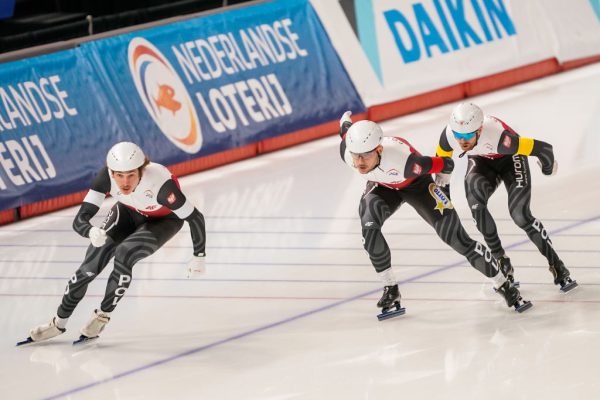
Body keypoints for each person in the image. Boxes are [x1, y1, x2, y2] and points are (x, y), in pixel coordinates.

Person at [338, 111, 531, 318]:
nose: (359, 162)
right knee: (369, 227)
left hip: (417, 186)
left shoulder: (409, 162)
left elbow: (447, 164)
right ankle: (390, 288)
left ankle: (504, 285)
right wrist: (345, 121)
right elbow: (345, 132)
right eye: (356, 156)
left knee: (458, 239)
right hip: (382, 186)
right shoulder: (349, 152)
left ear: (379, 149)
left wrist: (443, 189)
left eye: (366, 155)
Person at [19, 141, 207, 345]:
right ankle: (58, 323)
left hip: (163, 221)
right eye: (119, 175)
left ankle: (102, 316)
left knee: (125, 253)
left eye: (131, 175)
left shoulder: (161, 185)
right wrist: (90, 231)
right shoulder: (105, 177)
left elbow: (195, 217)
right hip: (127, 211)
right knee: (88, 268)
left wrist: (199, 256)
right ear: (111, 172)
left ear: (141, 171)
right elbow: (80, 219)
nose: (125, 182)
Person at [435, 102, 577, 292]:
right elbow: (441, 173)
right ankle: (501, 260)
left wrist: (548, 169)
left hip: (511, 158)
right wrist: (445, 204)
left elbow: (544, 149)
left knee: (521, 215)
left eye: (468, 135)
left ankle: (557, 264)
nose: (462, 141)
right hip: (481, 161)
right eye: (458, 136)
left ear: (480, 130)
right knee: (476, 207)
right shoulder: (448, 136)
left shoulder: (501, 139)